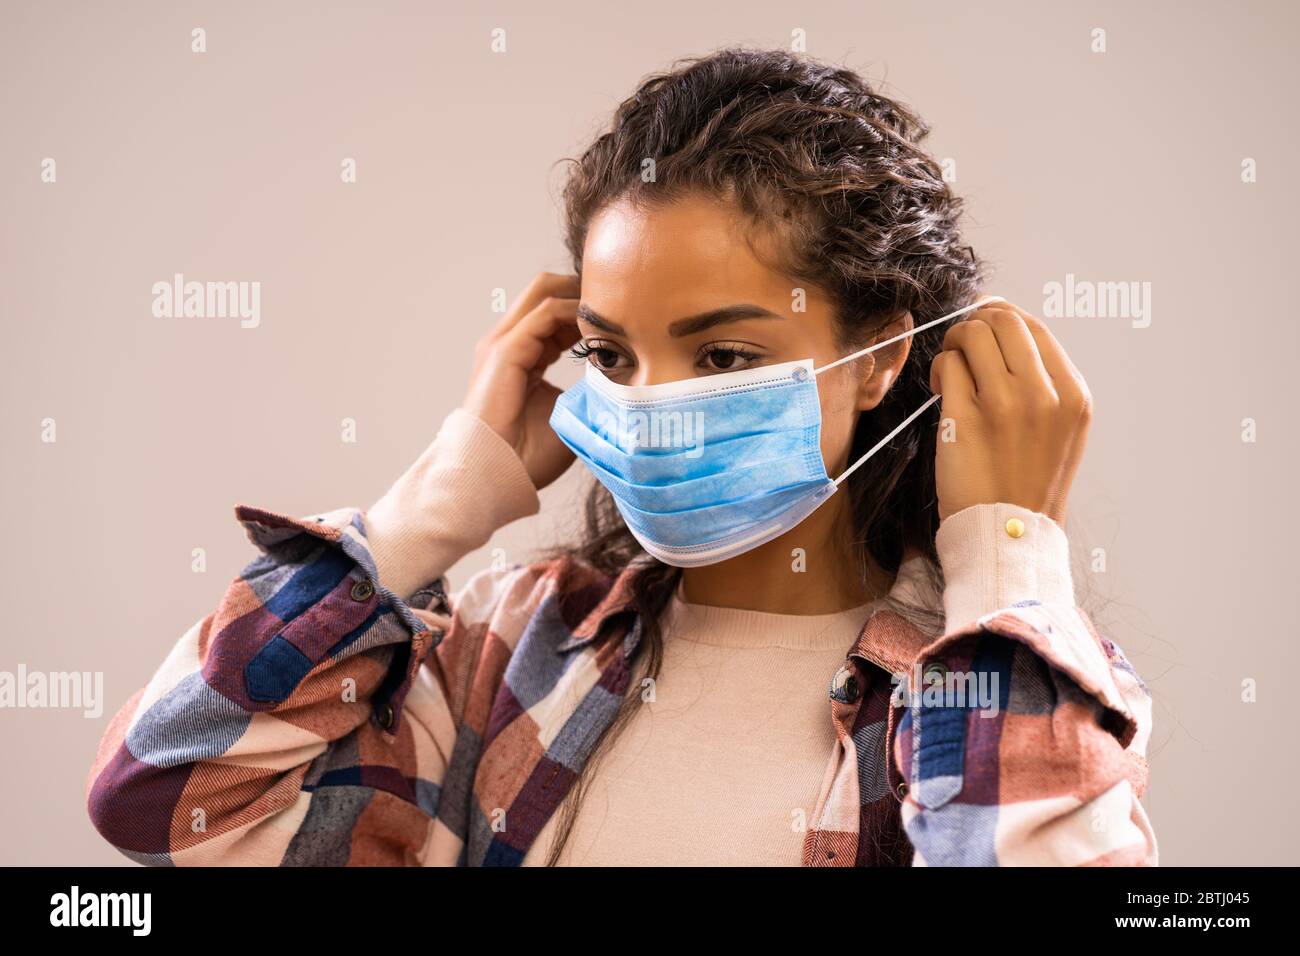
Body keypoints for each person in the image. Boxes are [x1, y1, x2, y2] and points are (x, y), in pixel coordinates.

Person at [86, 46, 1155, 866]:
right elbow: (159, 799)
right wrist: (426, 513)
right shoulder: (510, 656)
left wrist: (1008, 558)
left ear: (879, 354)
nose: (650, 407)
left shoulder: (988, 690)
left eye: (724, 350)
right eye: (610, 351)